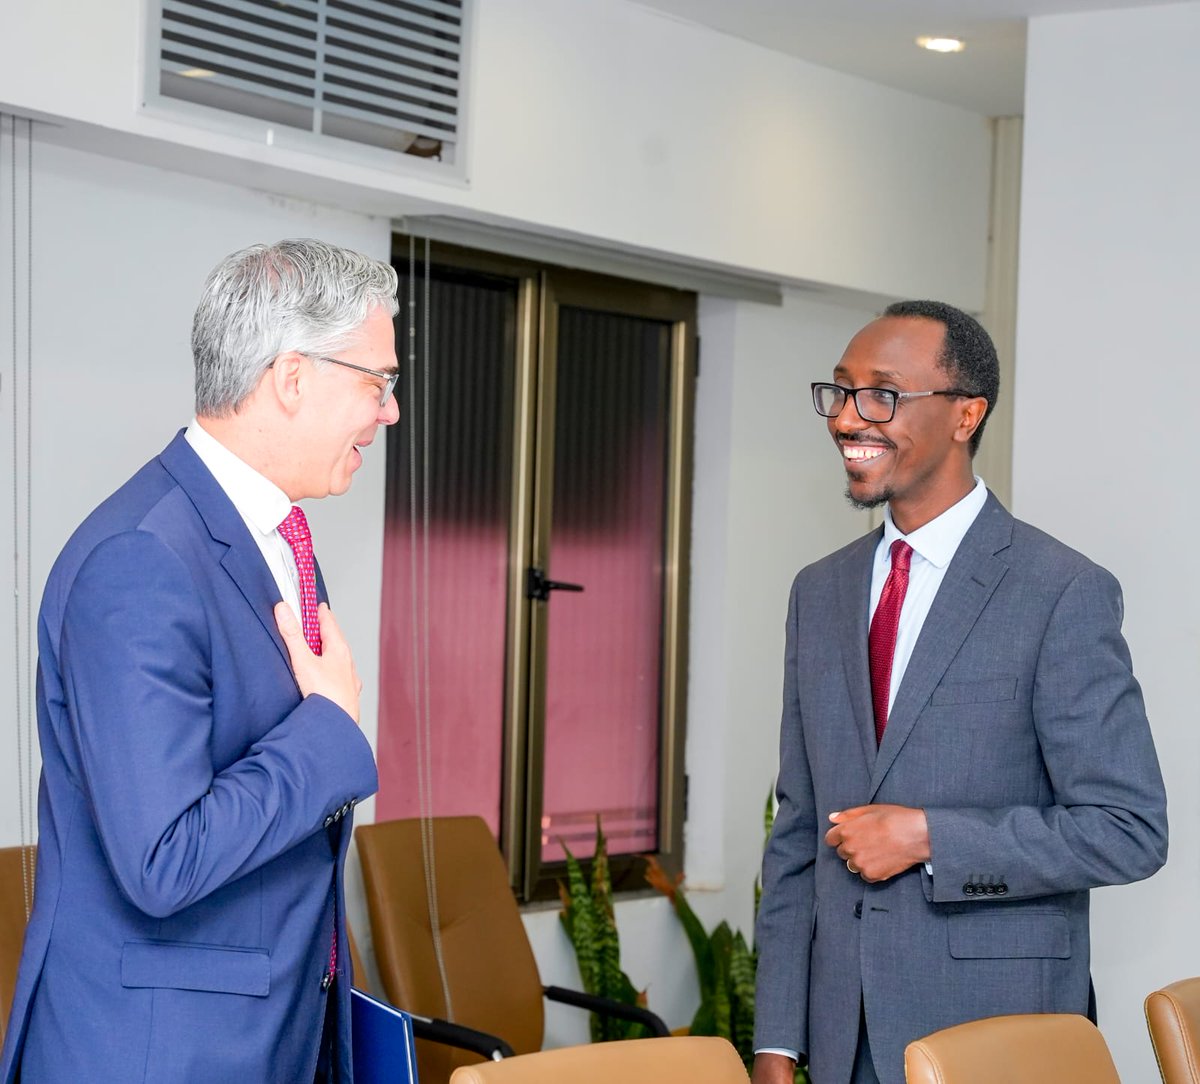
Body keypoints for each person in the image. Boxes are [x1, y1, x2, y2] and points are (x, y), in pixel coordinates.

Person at [0, 238, 401, 1083]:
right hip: (160, 1051)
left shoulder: (278, 540)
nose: (389, 412)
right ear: (293, 377)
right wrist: (329, 728)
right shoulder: (141, 559)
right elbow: (163, 858)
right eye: (378, 382)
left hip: (268, 1032)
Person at [751, 300, 1167, 1084]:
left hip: (996, 1037)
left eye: (881, 395)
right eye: (838, 392)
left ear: (965, 414)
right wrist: (777, 1039)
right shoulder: (819, 592)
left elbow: (1128, 829)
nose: (847, 418)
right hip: (843, 1045)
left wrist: (932, 838)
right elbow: (798, 833)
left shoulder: (1059, 591)